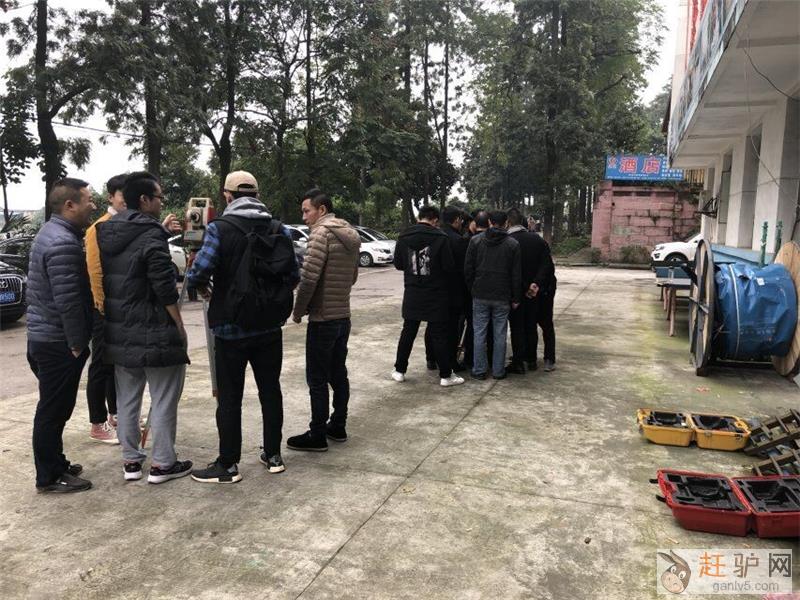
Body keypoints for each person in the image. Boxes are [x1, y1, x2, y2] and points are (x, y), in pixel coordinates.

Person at [188, 171, 299, 482]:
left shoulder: (219, 228)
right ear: (258, 195)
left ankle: (228, 464)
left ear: (227, 196)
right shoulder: (278, 228)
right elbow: (293, 275)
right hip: (269, 328)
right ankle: (273, 455)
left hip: (230, 328)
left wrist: (208, 288)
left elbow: (197, 274)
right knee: (270, 391)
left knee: (230, 397)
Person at [97, 171, 192, 484]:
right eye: (159, 197)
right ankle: (163, 464)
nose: (162, 202)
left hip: (120, 331)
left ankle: (131, 462)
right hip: (155, 330)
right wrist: (178, 324)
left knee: (127, 399)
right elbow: (163, 286)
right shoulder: (150, 234)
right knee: (164, 397)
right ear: (144, 200)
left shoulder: (107, 232)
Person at [27, 178, 96, 493]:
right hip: (57, 342)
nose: (92, 205)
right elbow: (68, 300)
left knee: (54, 407)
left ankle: (56, 462)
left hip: (43, 336)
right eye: (88, 200)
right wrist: (77, 343)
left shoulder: (51, 233)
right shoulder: (63, 243)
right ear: (70, 205)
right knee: (53, 411)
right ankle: (50, 476)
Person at [287, 189, 361, 452]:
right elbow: (353, 277)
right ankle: (338, 425)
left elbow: (309, 278)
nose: (304, 217)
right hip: (343, 316)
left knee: (317, 379)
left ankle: (317, 434)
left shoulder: (320, 233)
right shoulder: (351, 234)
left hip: (322, 318)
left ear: (322, 209)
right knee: (338, 373)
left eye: (307, 211)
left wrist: (298, 311)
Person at [391, 205, 464, 387]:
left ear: (419, 217)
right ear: (435, 220)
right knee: (439, 335)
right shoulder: (441, 237)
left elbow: (399, 264)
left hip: (412, 291)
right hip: (436, 293)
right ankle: (446, 375)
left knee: (408, 331)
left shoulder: (404, 236)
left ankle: (399, 370)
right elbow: (448, 266)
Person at [83, 173, 127, 444]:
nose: (126, 200)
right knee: (100, 364)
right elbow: (95, 270)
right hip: (103, 309)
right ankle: (97, 422)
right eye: (122, 195)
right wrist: (102, 306)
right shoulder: (98, 228)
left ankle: (116, 413)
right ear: (111, 197)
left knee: (115, 364)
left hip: (120, 308)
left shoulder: (125, 223)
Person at [464, 210, 521, 380]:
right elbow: (516, 274)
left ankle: (479, 370)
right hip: (502, 296)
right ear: (506, 223)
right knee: (500, 334)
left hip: (480, 294)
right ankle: (498, 371)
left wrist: (473, 289)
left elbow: (468, 269)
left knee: (479, 332)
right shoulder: (513, 244)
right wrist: (516, 297)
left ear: (489, 222)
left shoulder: (475, 241)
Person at [506, 208, 555, 374]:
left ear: (508, 222)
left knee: (517, 326)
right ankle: (532, 360)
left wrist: (525, 286)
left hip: (517, 291)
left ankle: (519, 360)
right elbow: (547, 264)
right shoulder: (537, 239)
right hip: (536, 292)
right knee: (531, 324)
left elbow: (511, 270)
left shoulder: (507, 241)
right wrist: (535, 284)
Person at [423, 205, 468, 372]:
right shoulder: (459, 240)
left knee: (433, 325)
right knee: (451, 328)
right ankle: (450, 361)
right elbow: (463, 269)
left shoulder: (434, 236)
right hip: (453, 290)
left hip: (433, 288)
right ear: (456, 220)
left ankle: (431, 358)